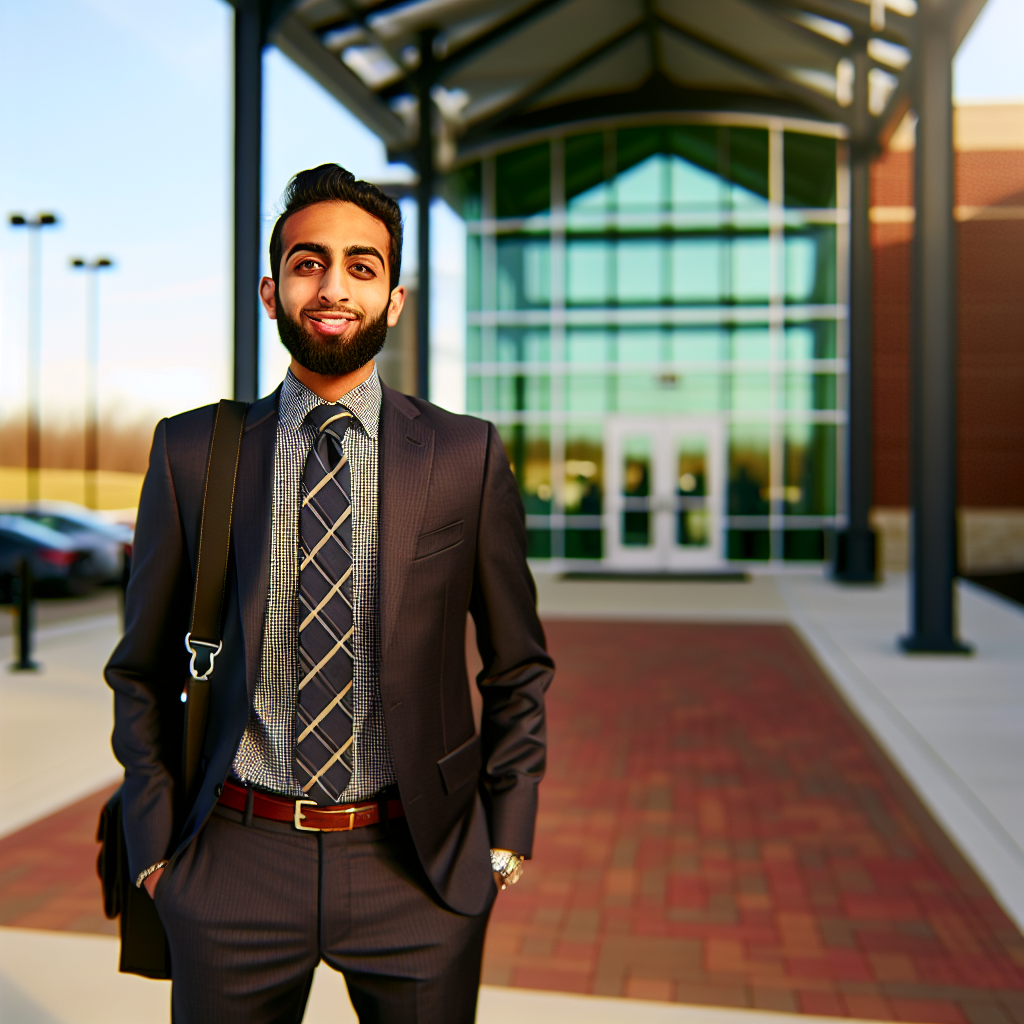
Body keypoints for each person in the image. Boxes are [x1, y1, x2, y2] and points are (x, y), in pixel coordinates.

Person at [105, 164, 553, 1024]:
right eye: (308, 263)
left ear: (394, 299)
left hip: (417, 868)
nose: (333, 287)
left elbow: (518, 665)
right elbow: (141, 669)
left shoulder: (465, 455)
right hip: (233, 860)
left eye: (361, 265)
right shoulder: (193, 452)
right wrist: (157, 849)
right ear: (271, 292)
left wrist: (505, 837)